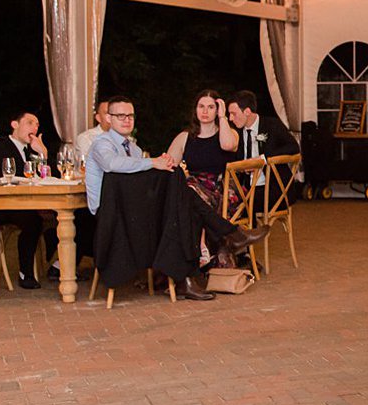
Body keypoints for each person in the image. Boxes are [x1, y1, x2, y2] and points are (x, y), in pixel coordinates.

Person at [85, 95, 267, 301]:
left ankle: (186, 279)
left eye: (130, 116)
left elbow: (139, 182)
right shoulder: (102, 144)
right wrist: (154, 163)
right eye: (120, 116)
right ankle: (230, 236)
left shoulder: (133, 148)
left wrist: (162, 165)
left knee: (182, 206)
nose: (127, 120)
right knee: (181, 199)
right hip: (111, 215)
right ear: (108, 118)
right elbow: (112, 164)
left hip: (131, 210)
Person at [0, 110, 59, 289]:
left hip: (35, 204)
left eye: (37, 124)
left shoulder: (34, 150)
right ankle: (26, 273)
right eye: (30, 122)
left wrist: (43, 154)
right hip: (5, 206)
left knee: (69, 215)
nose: (35, 127)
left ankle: (61, 265)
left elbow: (50, 177)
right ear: (15, 125)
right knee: (32, 220)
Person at [226, 90, 300, 212]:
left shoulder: (272, 125)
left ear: (247, 111)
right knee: (221, 201)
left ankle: (248, 228)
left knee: (240, 205)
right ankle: (248, 229)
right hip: (245, 188)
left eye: (233, 114)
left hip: (274, 189)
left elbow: (293, 147)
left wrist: (263, 159)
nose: (230, 118)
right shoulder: (235, 132)